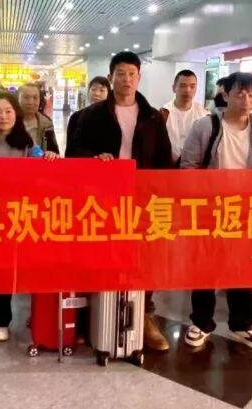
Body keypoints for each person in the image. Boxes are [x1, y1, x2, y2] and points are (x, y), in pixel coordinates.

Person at [67, 52, 173, 351]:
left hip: (141, 200)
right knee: (97, 256)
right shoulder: (89, 116)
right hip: (101, 200)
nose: (127, 79)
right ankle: (89, 316)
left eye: (132, 74)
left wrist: (160, 196)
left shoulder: (153, 117)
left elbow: (164, 161)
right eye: (121, 74)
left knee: (142, 258)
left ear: (139, 77)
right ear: (111, 76)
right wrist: (94, 158)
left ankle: (145, 316)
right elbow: (73, 155)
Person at [180, 72, 252, 350]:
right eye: (240, 93)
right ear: (226, 94)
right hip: (210, 209)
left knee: (244, 268)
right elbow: (188, 167)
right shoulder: (206, 126)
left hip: (246, 211)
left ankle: (243, 324)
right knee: (205, 266)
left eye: (251, 94)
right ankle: (201, 322)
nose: (246, 100)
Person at [0, 91, 58, 344]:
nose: (3, 116)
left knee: (4, 268)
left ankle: (1, 321)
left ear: (15, 114)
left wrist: (49, 157)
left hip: (12, 215)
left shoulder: (25, 142)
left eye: (8, 111)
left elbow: (39, 169)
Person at [161, 69, 208, 163]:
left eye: (192, 86)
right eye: (183, 86)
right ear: (174, 88)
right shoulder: (164, 113)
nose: (188, 90)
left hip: (195, 167)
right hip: (168, 166)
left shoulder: (204, 114)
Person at [64, 76, 110, 155]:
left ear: (109, 94)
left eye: (102, 90)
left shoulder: (112, 117)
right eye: (93, 89)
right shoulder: (76, 117)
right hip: (82, 161)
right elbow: (70, 149)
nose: (96, 93)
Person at [18, 83, 59, 153]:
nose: (30, 102)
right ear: (18, 99)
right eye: (26, 97)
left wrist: (51, 154)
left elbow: (54, 151)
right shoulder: (7, 122)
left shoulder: (47, 124)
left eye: (35, 98)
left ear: (40, 100)